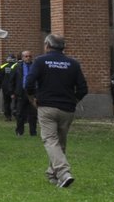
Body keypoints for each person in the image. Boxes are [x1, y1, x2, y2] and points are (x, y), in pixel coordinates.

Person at [27, 33, 88, 188]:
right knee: (60, 142)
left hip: (47, 106)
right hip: (67, 108)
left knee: (50, 140)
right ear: (63, 47)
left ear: (47, 45)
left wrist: (32, 96)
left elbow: (29, 82)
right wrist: (74, 99)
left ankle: (64, 173)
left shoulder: (40, 61)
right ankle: (53, 174)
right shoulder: (73, 63)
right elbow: (83, 88)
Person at [13, 49, 38, 135]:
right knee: (20, 113)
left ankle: (33, 132)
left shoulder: (35, 67)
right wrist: (12, 92)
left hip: (32, 92)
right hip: (21, 92)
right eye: (26, 56)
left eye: (30, 56)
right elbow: (12, 80)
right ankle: (19, 131)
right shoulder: (17, 67)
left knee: (33, 113)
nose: (28, 58)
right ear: (22, 57)